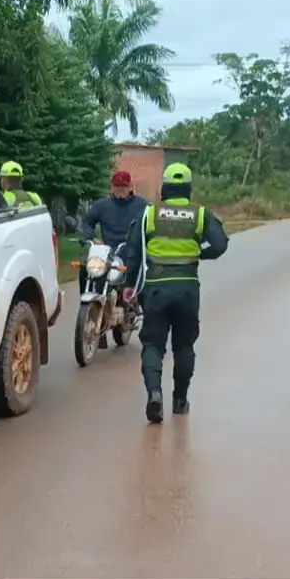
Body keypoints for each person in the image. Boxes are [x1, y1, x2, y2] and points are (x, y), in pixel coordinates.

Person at [120, 163, 228, 423]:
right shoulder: (200, 214)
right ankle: (180, 400)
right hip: (187, 289)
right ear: (188, 187)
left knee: (154, 345)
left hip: (156, 289)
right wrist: (200, 253)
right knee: (184, 345)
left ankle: (155, 393)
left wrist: (129, 284)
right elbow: (221, 244)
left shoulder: (149, 214)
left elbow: (134, 251)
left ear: (164, 187)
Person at [77, 170, 149, 293]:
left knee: (142, 271)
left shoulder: (143, 205)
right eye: (117, 186)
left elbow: (149, 226)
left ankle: (134, 300)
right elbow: (86, 223)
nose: (120, 189)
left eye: (124, 186)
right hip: (107, 250)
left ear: (130, 186)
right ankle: (87, 301)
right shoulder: (101, 205)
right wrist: (93, 237)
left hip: (131, 251)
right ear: (112, 187)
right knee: (86, 268)